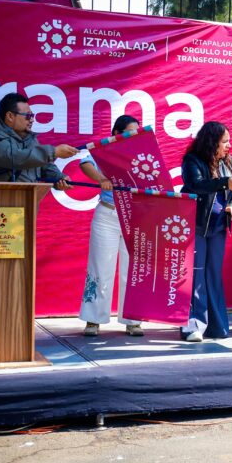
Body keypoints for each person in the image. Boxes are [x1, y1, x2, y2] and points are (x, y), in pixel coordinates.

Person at [79, 115, 145, 337]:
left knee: (132, 270)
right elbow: (84, 163)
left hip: (135, 217)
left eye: (137, 131)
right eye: (129, 131)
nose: (134, 135)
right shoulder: (105, 150)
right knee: (100, 268)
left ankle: (133, 320)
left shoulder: (143, 154)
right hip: (107, 214)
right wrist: (101, 179)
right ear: (117, 133)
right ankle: (93, 319)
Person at [180, 122, 232, 342]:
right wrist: (225, 183)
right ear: (212, 142)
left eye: (229, 141)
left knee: (213, 274)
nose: (228, 145)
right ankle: (193, 326)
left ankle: (216, 325)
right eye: (224, 141)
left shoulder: (230, 161)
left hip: (218, 227)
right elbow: (197, 185)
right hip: (196, 225)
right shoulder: (192, 161)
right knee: (196, 275)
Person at [0, 92, 77, 187]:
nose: (32, 120)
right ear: (10, 116)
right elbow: (14, 158)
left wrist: (59, 178)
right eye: (28, 115)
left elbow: (42, 165)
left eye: (32, 115)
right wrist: (54, 152)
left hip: (26, 198)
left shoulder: (29, 138)